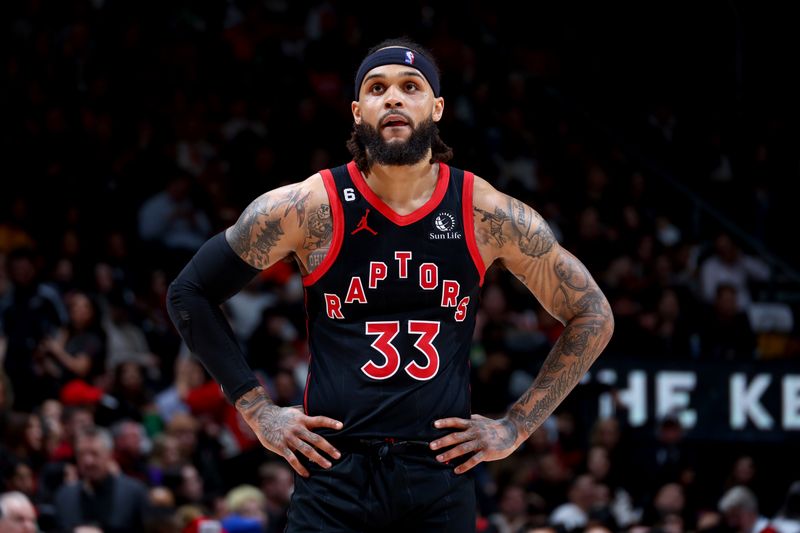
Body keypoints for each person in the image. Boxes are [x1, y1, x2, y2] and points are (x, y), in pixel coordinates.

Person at [167, 37, 614, 531]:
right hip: (333, 471)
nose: (394, 97)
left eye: (410, 86)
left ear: (437, 107)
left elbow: (592, 315)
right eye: (377, 88)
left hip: (439, 474)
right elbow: (189, 293)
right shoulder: (309, 206)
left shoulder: (487, 212)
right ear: (358, 111)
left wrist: (517, 426)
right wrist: (256, 410)